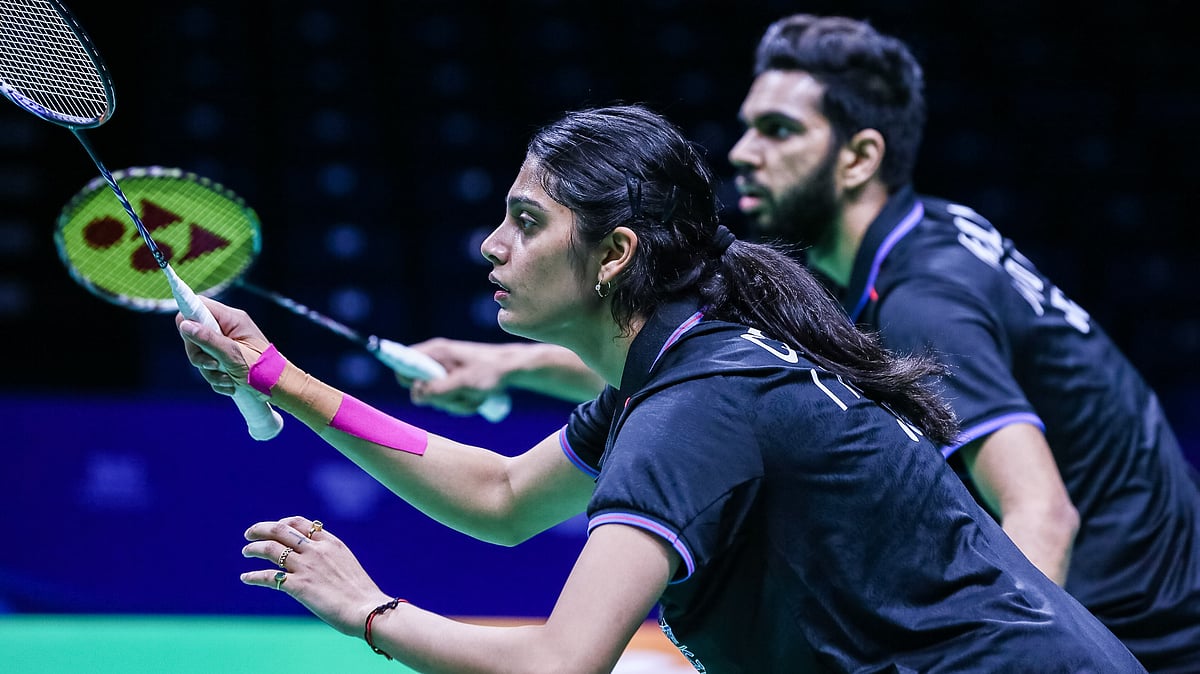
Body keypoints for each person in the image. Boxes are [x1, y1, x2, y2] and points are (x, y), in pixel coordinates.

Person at [178, 104, 1145, 672]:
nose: (492, 246)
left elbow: (563, 663)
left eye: (525, 220)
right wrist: (279, 377)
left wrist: (369, 612)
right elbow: (504, 498)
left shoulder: (697, 403)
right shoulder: (684, 373)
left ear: (614, 255)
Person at [403, 15, 1200, 672]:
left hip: (1140, 632)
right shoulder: (910, 249)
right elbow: (717, 392)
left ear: (859, 158)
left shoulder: (925, 301)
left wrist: (998, 642)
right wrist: (519, 364)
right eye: (748, 127)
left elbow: (1042, 511)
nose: (746, 151)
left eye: (779, 131)